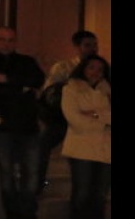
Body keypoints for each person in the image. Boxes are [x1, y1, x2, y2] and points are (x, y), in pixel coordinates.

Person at [0, 25, 47, 219]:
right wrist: (21, 89)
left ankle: (29, 213)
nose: (6, 43)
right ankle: (13, 212)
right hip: (2, 127)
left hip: (29, 125)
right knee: (5, 174)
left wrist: (7, 81)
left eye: (10, 39)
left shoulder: (27, 62)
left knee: (31, 173)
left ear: (15, 42)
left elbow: (38, 80)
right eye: (1, 39)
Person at [60, 54, 112, 219]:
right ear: (84, 68)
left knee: (99, 197)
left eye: (100, 69)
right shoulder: (70, 88)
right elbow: (75, 120)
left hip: (104, 150)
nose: (96, 73)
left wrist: (95, 114)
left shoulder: (107, 90)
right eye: (92, 68)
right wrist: (104, 119)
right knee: (82, 194)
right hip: (81, 149)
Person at [40, 30, 101, 189]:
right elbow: (49, 93)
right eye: (87, 45)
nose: (93, 49)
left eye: (95, 45)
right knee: (42, 144)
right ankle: (38, 182)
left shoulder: (101, 69)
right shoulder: (63, 67)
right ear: (77, 47)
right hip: (63, 118)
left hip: (91, 119)